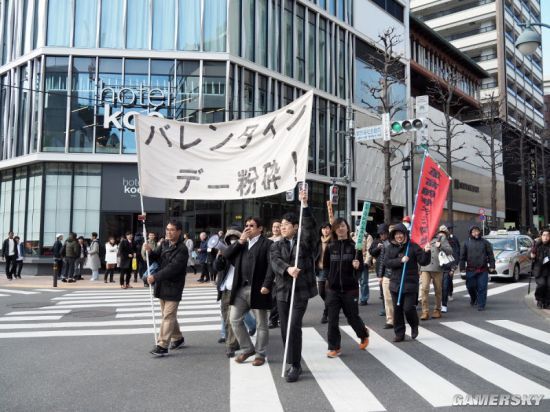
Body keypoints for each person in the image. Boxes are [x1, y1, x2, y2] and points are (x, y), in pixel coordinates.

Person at [265, 189, 318, 383]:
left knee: (294, 326)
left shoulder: (304, 242)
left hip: (300, 291)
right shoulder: (276, 245)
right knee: (285, 329)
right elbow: (275, 262)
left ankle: (294, 365)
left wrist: (305, 205)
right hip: (282, 292)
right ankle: (293, 360)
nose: (283, 227)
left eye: (287, 225)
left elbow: (311, 230)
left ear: (296, 227)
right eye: (282, 225)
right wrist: (288, 269)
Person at [223, 217, 272, 367]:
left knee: (261, 324)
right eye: (246, 225)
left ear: (260, 228)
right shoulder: (242, 244)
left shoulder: (268, 244)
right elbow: (226, 255)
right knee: (234, 319)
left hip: (259, 289)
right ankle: (247, 348)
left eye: (252, 225)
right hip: (241, 289)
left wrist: (267, 284)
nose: (248, 228)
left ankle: (260, 354)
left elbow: (271, 266)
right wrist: (240, 241)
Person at [323, 218, 370, 358]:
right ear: (334, 230)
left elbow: (360, 268)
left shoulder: (355, 247)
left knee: (352, 317)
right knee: (332, 319)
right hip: (333, 290)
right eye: (338, 227)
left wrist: (358, 266)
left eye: (343, 226)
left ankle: (363, 334)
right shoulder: (330, 247)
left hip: (350, 289)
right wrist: (327, 282)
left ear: (347, 228)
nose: (340, 229)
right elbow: (325, 267)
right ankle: (334, 347)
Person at [145, 220, 189, 356]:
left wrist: (155, 277)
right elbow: (155, 257)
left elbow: (173, 268)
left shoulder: (182, 249)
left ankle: (162, 345)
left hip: (174, 286)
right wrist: (149, 251)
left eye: (172, 230)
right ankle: (178, 338)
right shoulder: (164, 243)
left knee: (168, 316)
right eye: (167, 229)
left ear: (179, 231)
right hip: (162, 285)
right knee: (167, 315)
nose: (168, 232)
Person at [384, 223, 431, 342]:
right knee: (397, 310)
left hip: (410, 283)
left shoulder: (413, 246)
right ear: (393, 236)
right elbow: (387, 262)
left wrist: (427, 252)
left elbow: (424, 261)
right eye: (396, 234)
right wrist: (400, 260)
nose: (399, 236)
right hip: (395, 284)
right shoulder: (390, 248)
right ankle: (399, 334)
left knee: (408, 308)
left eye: (401, 234)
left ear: (405, 234)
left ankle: (414, 325)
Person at [215, 228, 243, 357]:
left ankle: (231, 345)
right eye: (229, 239)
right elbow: (217, 267)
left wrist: (232, 251)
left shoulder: (243, 251)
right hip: (225, 289)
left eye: (235, 239)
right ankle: (231, 342)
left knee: (233, 318)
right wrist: (220, 256)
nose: (232, 241)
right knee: (226, 319)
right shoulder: (224, 251)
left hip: (237, 289)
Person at [419, 227, 453, 320]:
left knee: (438, 290)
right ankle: (425, 311)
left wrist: (440, 245)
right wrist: (419, 268)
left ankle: (437, 309)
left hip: (438, 268)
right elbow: (418, 254)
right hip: (425, 267)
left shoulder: (441, 237)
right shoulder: (423, 238)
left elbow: (450, 251)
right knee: (424, 289)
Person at [460, 225, 495, 311]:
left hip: (483, 269)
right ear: (470, 233)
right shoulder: (465, 243)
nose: (476, 233)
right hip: (470, 269)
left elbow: (490, 255)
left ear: (479, 232)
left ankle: (481, 304)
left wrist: (492, 266)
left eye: (477, 231)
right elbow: (462, 257)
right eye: (473, 232)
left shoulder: (485, 242)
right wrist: (462, 268)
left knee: (482, 287)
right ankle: (474, 298)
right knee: (470, 286)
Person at [369, 224, 392, 329]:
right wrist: (377, 248)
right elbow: (371, 252)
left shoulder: (392, 241)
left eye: (384, 233)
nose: (382, 235)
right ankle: (386, 310)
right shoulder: (376, 242)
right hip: (381, 269)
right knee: (384, 292)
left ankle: (394, 310)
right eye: (381, 234)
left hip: (392, 269)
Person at [315, 222, 332, 324]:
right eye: (323, 228)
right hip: (320, 270)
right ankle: (332, 305)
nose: (325, 230)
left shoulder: (333, 240)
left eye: (327, 228)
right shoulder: (318, 241)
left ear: (330, 230)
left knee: (328, 291)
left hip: (330, 269)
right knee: (321, 292)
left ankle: (326, 313)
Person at [441, 225, 460, 311]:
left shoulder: (453, 239)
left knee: (448, 281)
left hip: (449, 264)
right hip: (440, 265)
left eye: (444, 231)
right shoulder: (438, 239)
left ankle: (449, 293)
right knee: (441, 283)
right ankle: (442, 299)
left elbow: (456, 251)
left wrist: (454, 265)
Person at [268, 220, 283, 329]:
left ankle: (278, 319)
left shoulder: (284, 240)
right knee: (273, 298)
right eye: (274, 227)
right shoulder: (267, 240)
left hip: (281, 272)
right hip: (270, 272)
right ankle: (273, 319)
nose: (276, 229)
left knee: (280, 298)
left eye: (278, 227)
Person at [531, 229, 550, 309]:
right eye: (544, 235)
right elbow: (531, 255)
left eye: (547, 235)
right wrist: (531, 256)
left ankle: (547, 302)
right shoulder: (536, 245)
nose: (545, 237)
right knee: (542, 285)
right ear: (541, 236)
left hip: (549, 270)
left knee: (549, 286)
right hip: (539, 270)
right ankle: (539, 299)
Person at [359, 232, 374, 306]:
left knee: (363, 281)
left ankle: (364, 298)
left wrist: (367, 261)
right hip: (353, 262)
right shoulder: (352, 235)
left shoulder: (367, 236)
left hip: (363, 261)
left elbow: (369, 251)